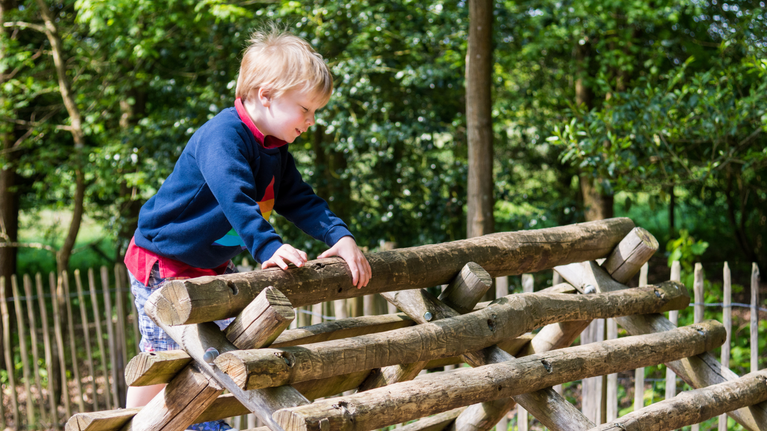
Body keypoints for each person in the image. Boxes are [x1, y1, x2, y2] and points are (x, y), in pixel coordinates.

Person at [124, 27, 371, 430]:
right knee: (166, 356)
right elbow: (234, 197)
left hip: (208, 266)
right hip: (163, 263)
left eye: (315, 112)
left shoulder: (274, 149)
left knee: (221, 350)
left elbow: (301, 200)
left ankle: (195, 420)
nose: (311, 121)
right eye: (306, 109)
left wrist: (340, 236)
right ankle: (135, 423)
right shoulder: (223, 136)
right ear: (266, 95)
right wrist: (268, 247)